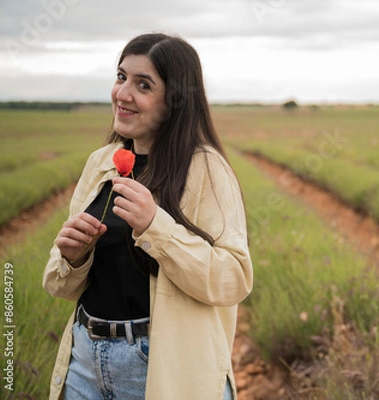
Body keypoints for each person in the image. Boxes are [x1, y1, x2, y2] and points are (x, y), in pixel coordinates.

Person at [43, 33, 253, 400]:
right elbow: (60, 286)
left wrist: (156, 225)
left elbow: (233, 279)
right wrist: (74, 257)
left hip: (158, 367)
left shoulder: (205, 168)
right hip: (84, 364)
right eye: (121, 77)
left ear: (175, 101)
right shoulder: (100, 163)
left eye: (143, 85)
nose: (123, 94)